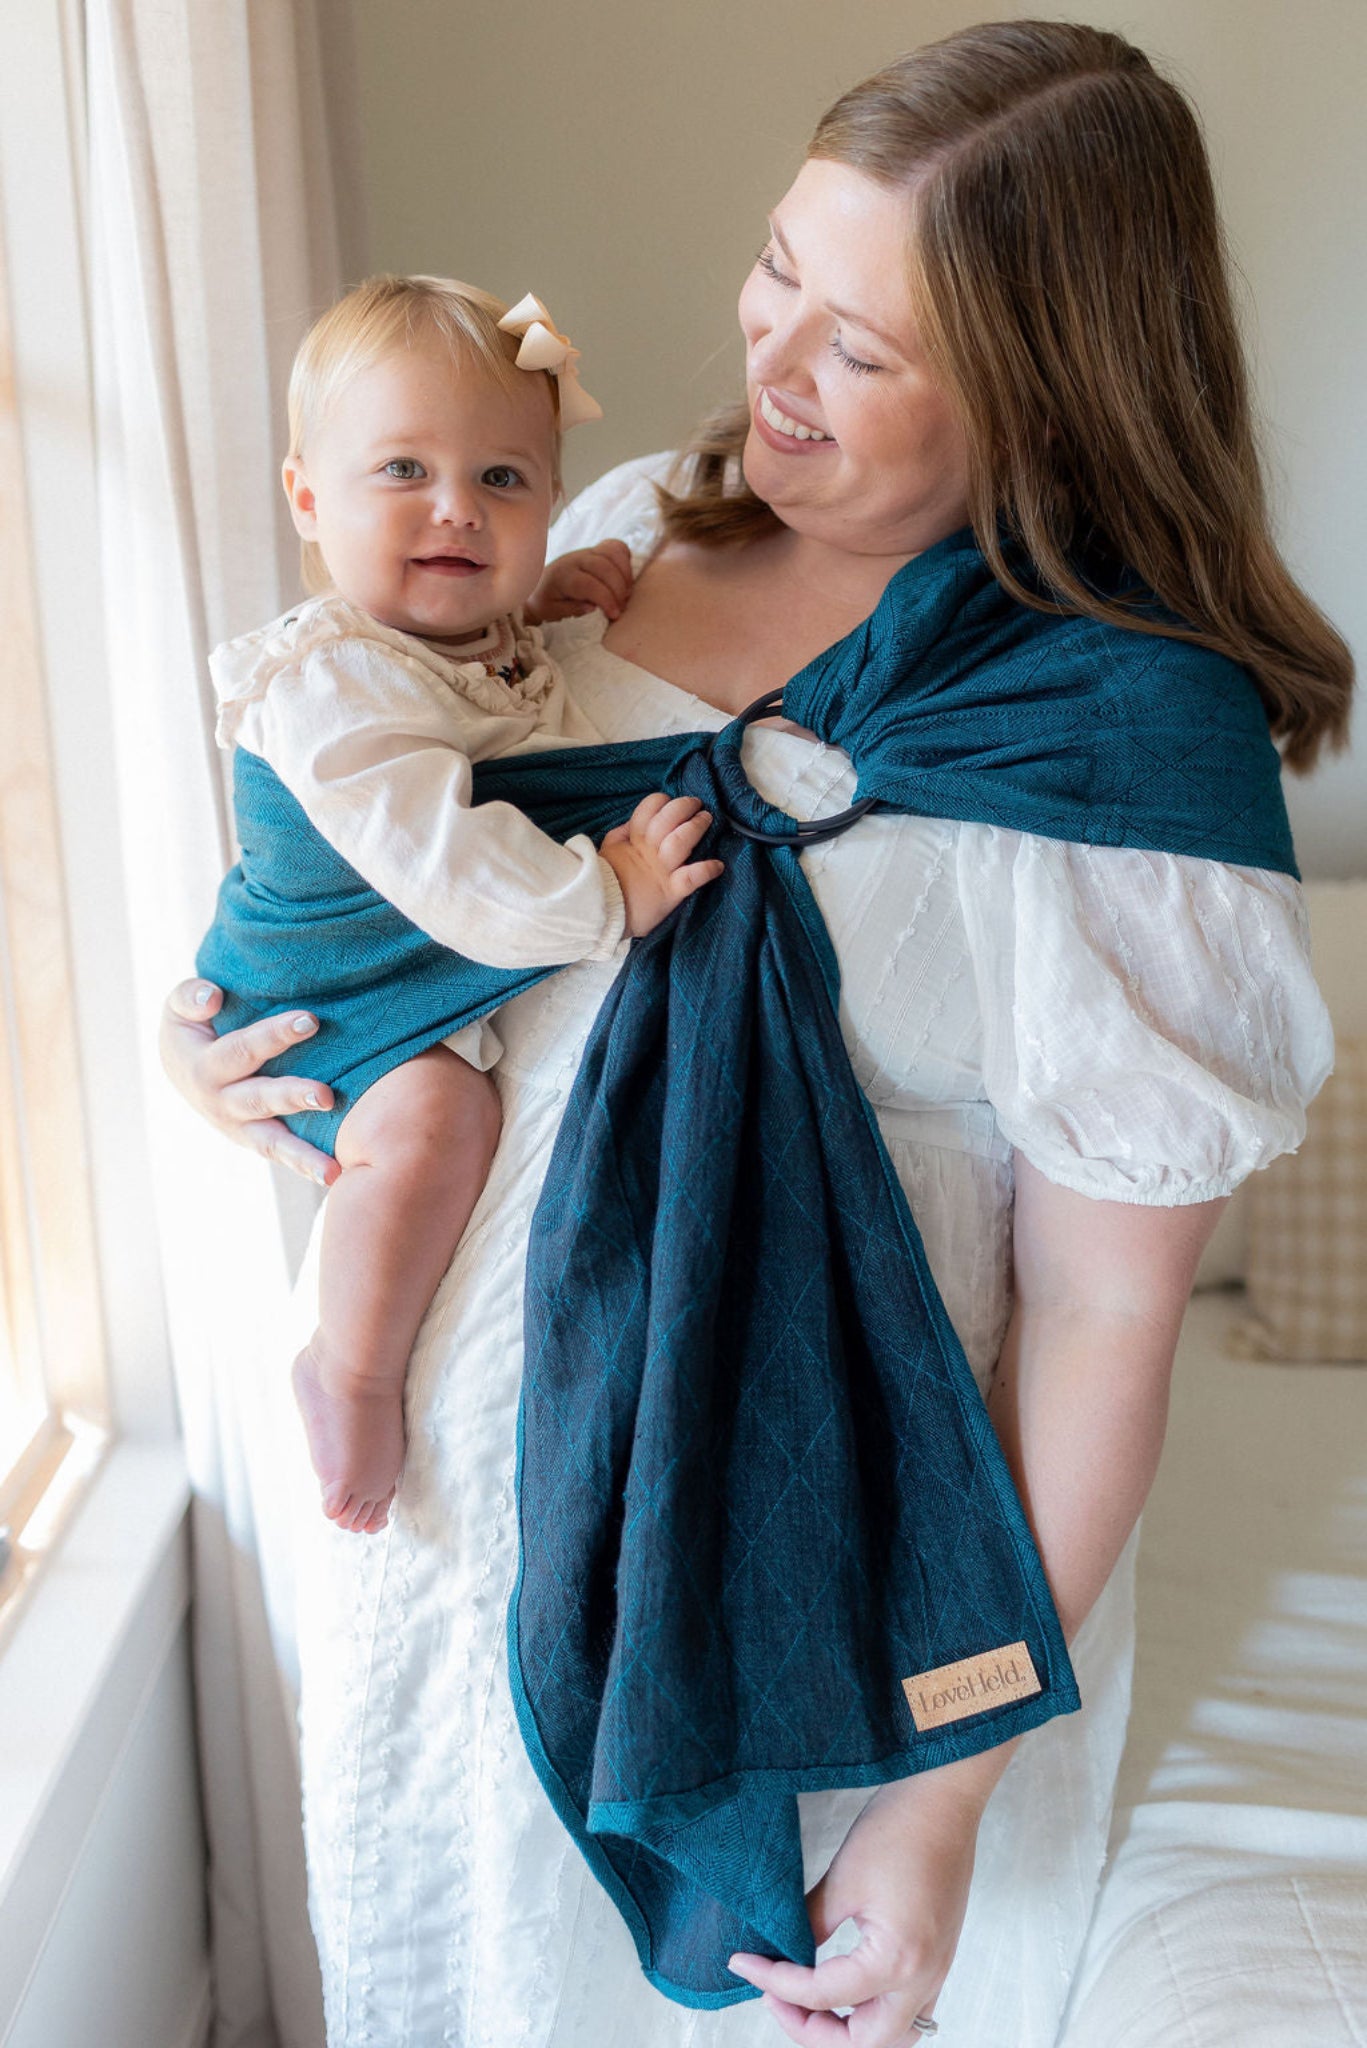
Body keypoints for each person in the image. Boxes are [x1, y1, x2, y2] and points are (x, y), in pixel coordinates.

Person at [161, 21, 1350, 2047]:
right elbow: (394, 870)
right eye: (775, 265)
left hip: (838, 1618)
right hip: (465, 1555)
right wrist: (254, 1042)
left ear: (1046, 394)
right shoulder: (607, 534)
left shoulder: (1116, 763)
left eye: (860, 347)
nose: (771, 361)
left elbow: (1095, 1321)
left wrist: (936, 1797)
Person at [196, 273, 721, 1536]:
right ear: (307, 498)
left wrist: (534, 604)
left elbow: (462, 676)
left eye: (502, 481)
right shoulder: (328, 687)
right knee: (435, 1120)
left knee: (444, 1109)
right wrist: (610, 890)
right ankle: (354, 1366)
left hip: (393, 968)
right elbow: (452, 860)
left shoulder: (454, 636)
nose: (455, 508)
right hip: (327, 992)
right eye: (402, 471)